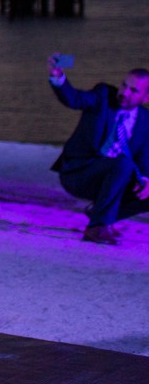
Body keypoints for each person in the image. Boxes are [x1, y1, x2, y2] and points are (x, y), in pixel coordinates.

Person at [47, 56, 149, 245]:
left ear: (146, 98)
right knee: (123, 164)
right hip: (80, 173)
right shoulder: (103, 96)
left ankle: (101, 216)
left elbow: (144, 156)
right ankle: (97, 228)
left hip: (114, 177)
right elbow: (74, 98)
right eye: (124, 85)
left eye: (133, 90)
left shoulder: (145, 119)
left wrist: (145, 179)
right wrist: (58, 77)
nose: (125, 92)